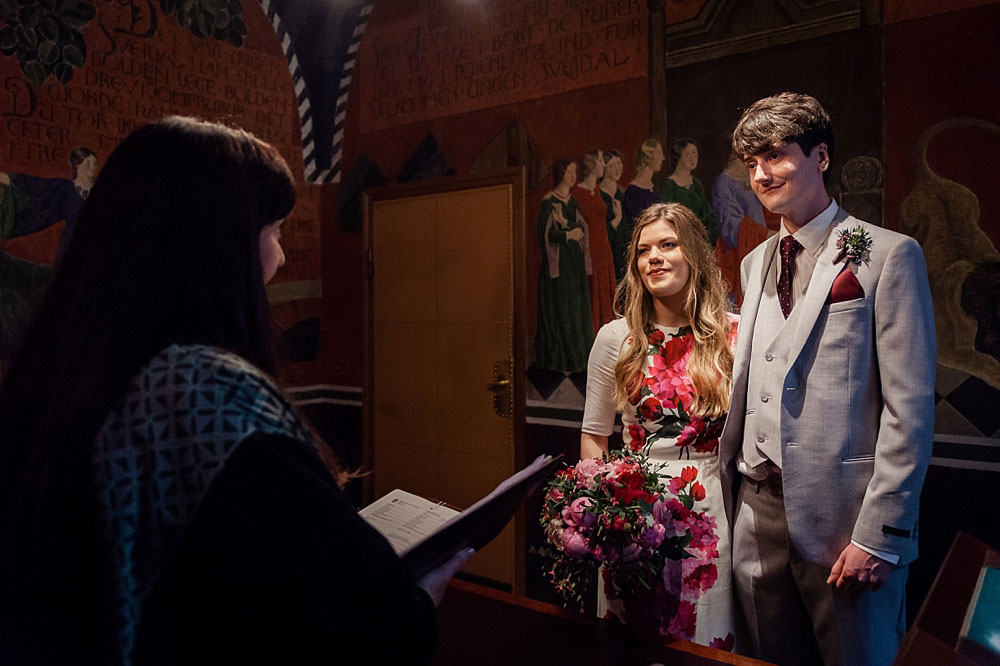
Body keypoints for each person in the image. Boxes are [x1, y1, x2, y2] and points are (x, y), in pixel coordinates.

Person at [0, 117, 473, 665]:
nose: (280, 259)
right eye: (272, 231)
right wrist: (414, 603)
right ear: (218, 247)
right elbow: (343, 621)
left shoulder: (59, 369)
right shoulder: (213, 395)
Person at [718, 92, 936, 666]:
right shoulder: (753, 261)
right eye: (751, 163)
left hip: (846, 522)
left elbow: (908, 412)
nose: (761, 174)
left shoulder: (889, 255)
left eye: (774, 156)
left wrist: (879, 535)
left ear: (819, 157)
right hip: (756, 514)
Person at [581, 202, 737, 649]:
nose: (654, 258)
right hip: (633, 512)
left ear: (694, 254)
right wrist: (604, 515)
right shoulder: (616, 338)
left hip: (710, 510)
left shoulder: (734, 335)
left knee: (703, 639)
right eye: (644, 250)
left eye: (668, 245)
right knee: (634, 640)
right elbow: (594, 436)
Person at [535, 158, 593, 373]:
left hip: (574, 263)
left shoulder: (572, 201)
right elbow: (545, 236)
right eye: (569, 172)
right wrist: (567, 234)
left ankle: (580, 358)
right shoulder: (549, 202)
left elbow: (582, 230)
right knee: (562, 309)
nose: (573, 176)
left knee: (576, 309)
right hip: (558, 266)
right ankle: (561, 360)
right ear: (560, 175)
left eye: (574, 172)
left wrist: (567, 226)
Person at [572, 149, 617, 333]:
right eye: (600, 160)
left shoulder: (597, 190)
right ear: (591, 165)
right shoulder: (577, 193)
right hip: (590, 251)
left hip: (604, 249)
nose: (603, 164)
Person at [660, 138, 719, 247]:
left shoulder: (696, 183)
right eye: (687, 155)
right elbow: (665, 216)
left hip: (699, 239)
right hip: (678, 239)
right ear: (678, 157)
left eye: (695, 154)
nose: (693, 159)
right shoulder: (670, 185)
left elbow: (706, 213)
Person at [622, 139, 664, 247]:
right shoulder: (633, 192)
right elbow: (636, 224)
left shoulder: (654, 189)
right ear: (649, 157)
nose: (662, 158)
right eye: (658, 153)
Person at [599, 148, 628, 281]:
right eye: (611, 166)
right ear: (604, 168)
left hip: (622, 252)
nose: (617, 169)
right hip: (604, 252)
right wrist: (616, 220)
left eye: (619, 164)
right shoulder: (597, 195)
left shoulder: (624, 194)